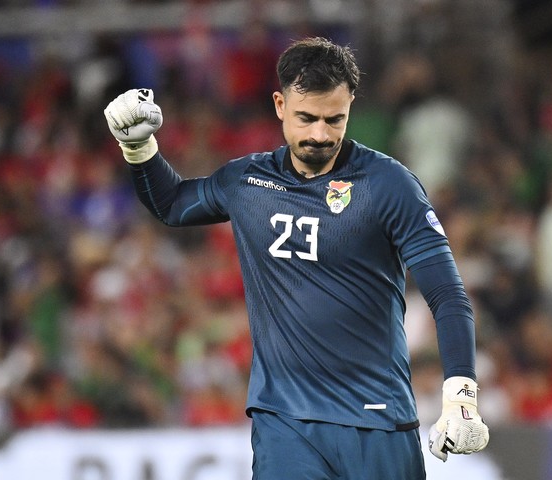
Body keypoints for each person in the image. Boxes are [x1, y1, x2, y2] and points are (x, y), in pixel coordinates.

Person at [104, 36, 488, 480]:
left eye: (334, 119)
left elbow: (446, 292)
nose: (320, 134)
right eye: (306, 118)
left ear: (350, 108)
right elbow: (171, 204)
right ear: (280, 104)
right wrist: (138, 148)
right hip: (284, 422)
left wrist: (461, 393)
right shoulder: (246, 181)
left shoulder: (389, 186)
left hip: (377, 420)